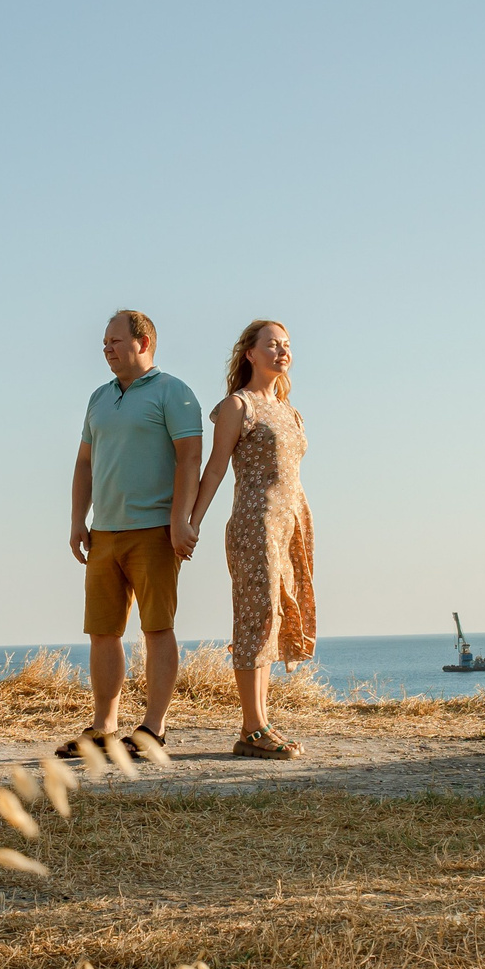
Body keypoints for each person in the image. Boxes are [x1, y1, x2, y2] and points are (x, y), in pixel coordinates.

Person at [62, 308, 203, 758]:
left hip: (154, 532)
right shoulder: (98, 398)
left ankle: (152, 729)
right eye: (104, 342)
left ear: (143, 343)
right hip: (104, 533)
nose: (106, 348)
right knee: (103, 633)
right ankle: (103, 728)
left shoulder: (173, 393)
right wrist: (76, 521)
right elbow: (84, 463)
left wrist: (182, 521)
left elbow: (190, 461)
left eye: (115, 341)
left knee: (157, 629)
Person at [189, 318, 315, 758]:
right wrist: (193, 522)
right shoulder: (238, 406)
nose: (282, 351)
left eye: (287, 345)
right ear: (250, 354)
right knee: (256, 619)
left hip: (288, 525)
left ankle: (260, 723)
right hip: (255, 524)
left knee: (274, 619)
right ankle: (252, 727)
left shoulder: (289, 409)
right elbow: (216, 468)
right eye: (272, 345)